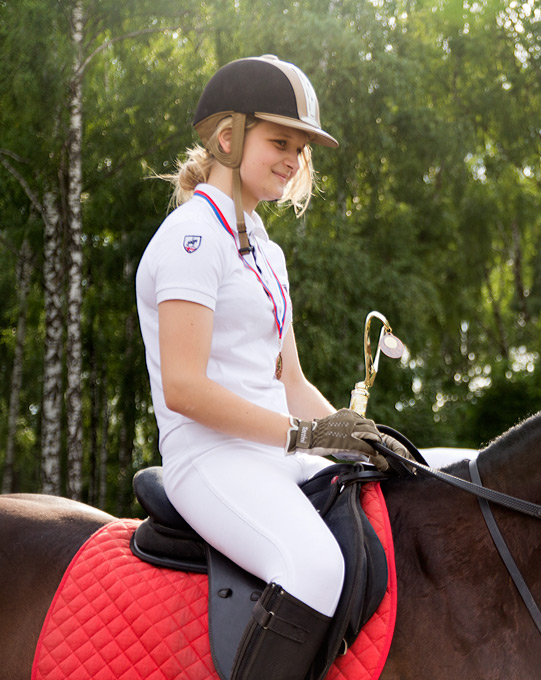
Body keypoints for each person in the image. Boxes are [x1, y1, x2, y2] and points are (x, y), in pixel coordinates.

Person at [136, 55, 407, 680]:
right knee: (314, 567)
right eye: (280, 142)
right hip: (208, 459)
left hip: (272, 455)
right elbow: (183, 388)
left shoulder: (266, 250)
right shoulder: (190, 239)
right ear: (229, 139)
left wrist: (358, 433)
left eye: (301, 148)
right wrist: (306, 437)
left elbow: (290, 383)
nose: (293, 158)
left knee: (391, 513)